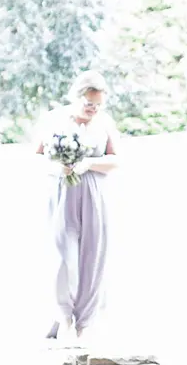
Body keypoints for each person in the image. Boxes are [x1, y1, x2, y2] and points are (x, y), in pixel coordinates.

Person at [33, 72, 121, 342]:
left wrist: (88, 164)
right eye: (88, 103)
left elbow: (115, 159)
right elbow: (37, 155)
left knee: (92, 255)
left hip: (93, 192)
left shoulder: (104, 123)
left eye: (97, 104)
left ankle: (85, 319)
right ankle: (62, 315)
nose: (93, 109)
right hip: (62, 192)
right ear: (77, 97)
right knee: (62, 255)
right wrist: (58, 167)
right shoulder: (55, 120)